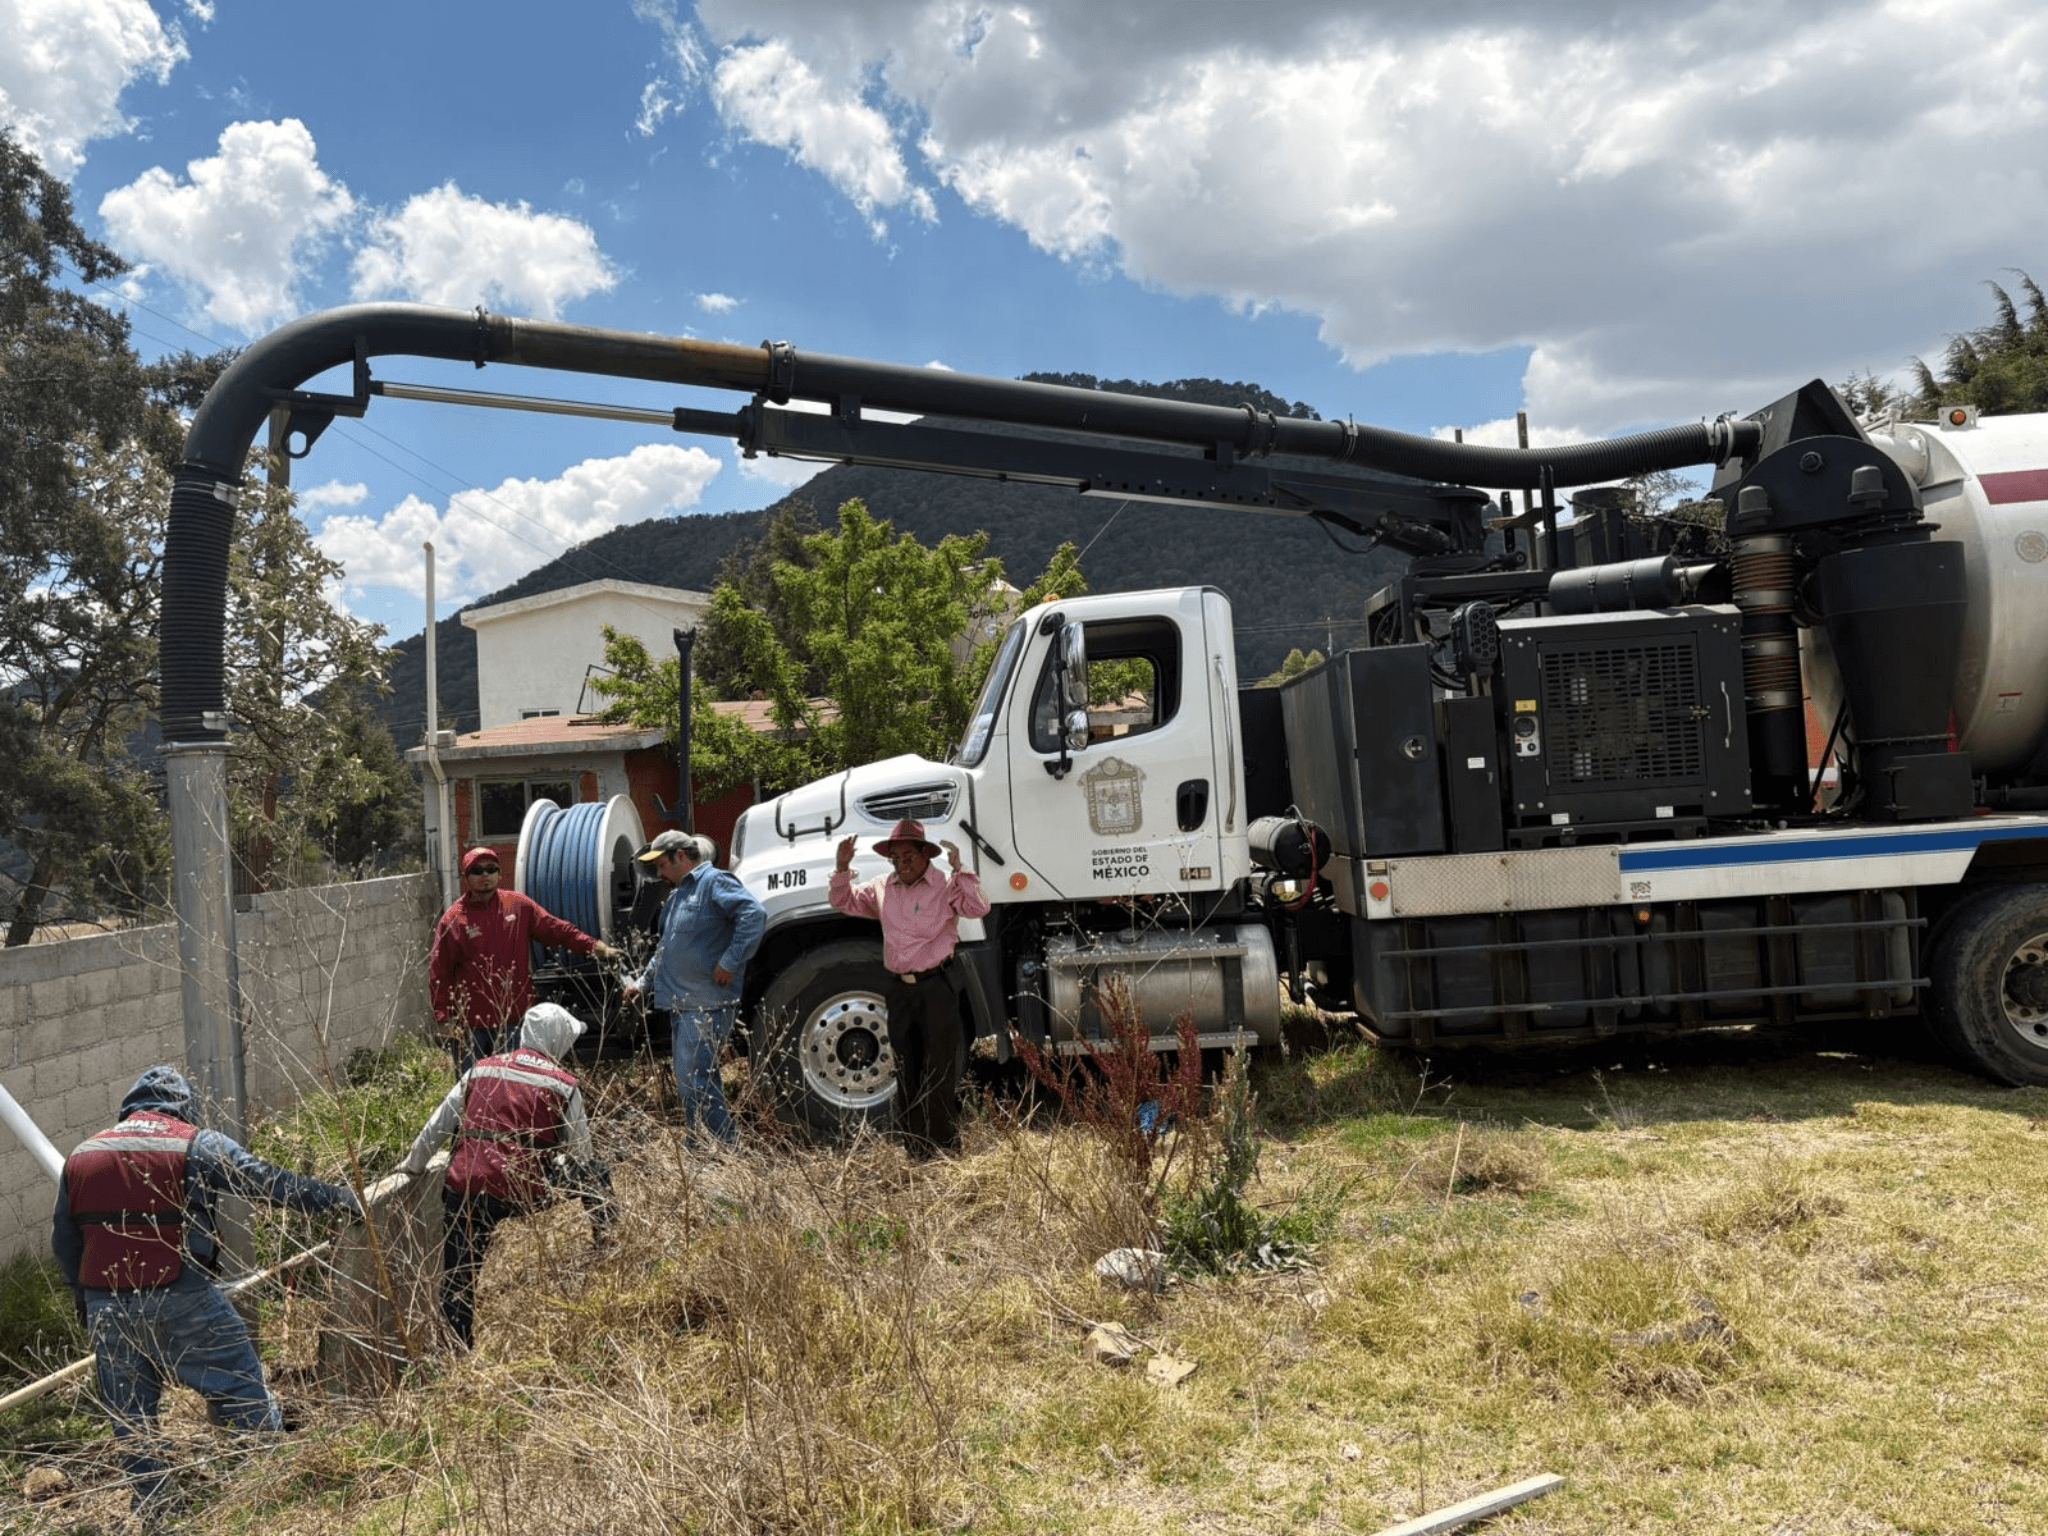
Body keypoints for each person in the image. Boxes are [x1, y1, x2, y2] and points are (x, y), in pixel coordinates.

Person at [52, 1066, 360, 1527]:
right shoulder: (195, 1143)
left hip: (107, 1306)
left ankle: (157, 1514)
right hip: (182, 1295)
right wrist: (335, 1198)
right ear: (183, 1108)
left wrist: (86, 1301)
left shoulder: (82, 1155)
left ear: (129, 1108)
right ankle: (276, 1495)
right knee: (242, 1388)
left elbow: (64, 1242)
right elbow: (266, 1181)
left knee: (132, 1420)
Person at [395, 1002, 613, 1348]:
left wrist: (412, 1166)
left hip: (467, 1185)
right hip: (521, 1191)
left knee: (460, 1276)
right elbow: (582, 1156)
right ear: (558, 1040)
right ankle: (609, 1245)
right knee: (598, 1173)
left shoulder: (480, 1070)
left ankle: (457, 1346)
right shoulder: (564, 1085)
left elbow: (437, 1126)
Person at [829, 819, 990, 1155]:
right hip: (900, 991)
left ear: (925, 855)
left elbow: (978, 907)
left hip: (936, 987)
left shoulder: (945, 885)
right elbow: (844, 902)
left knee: (939, 1069)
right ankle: (916, 1149)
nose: (901, 864)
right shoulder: (882, 887)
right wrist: (842, 868)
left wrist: (960, 869)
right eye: (895, 858)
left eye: (908, 857)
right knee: (907, 1069)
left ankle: (945, 1148)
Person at [622, 830, 766, 1146]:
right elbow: (666, 948)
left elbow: (754, 915)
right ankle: (703, 1147)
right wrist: (643, 983)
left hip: (705, 1003)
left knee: (695, 1081)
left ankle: (719, 1148)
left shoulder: (714, 882)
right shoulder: (678, 895)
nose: (660, 873)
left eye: (662, 864)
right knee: (694, 1081)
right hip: (683, 1003)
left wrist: (730, 961)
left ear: (681, 856)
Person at [430, 844, 621, 1075]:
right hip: (473, 1026)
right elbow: (439, 971)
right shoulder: (453, 920)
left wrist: (597, 947)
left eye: (491, 869)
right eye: (477, 871)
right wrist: (444, 1018)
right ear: (466, 878)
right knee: (472, 1086)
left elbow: (557, 930)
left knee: (515, 1084)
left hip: (515, 1019)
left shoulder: (518, 906)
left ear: (500, 873)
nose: (485, 875)